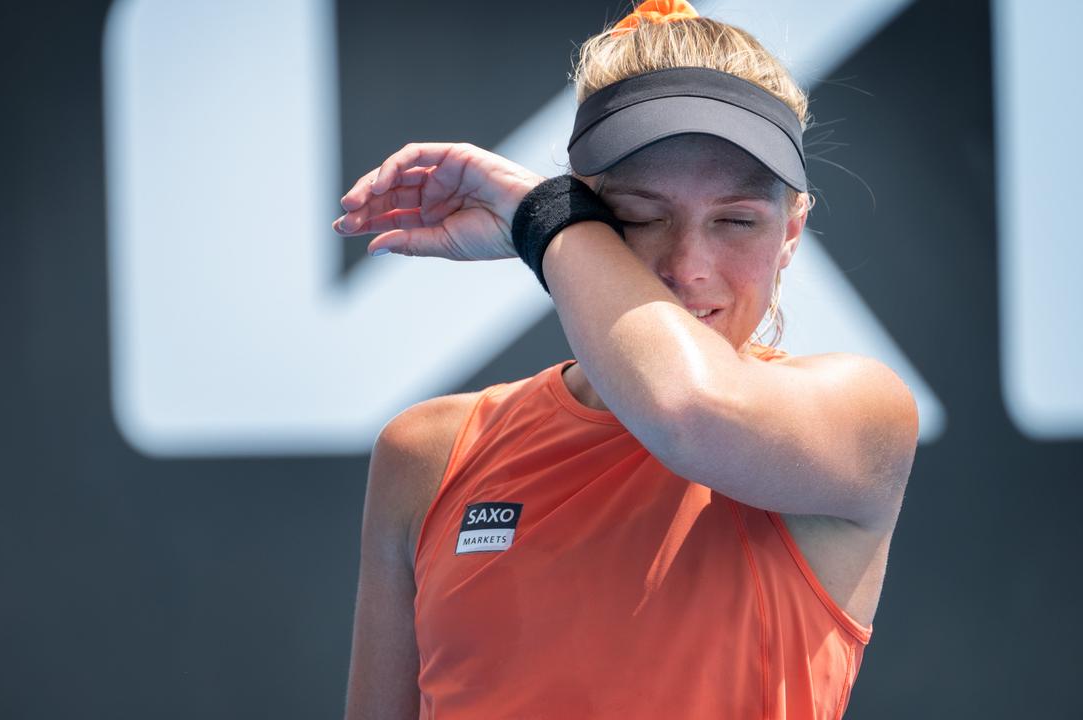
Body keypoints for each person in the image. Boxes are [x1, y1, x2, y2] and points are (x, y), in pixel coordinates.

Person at [337, 1, 919, 718]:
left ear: (791, 233)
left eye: (736, 222)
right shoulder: (427, 453)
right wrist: (555, 223)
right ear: (591, 220)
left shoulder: (865, 417)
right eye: (642, 216)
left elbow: (684, 408)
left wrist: (535, 214)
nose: (688, 267)